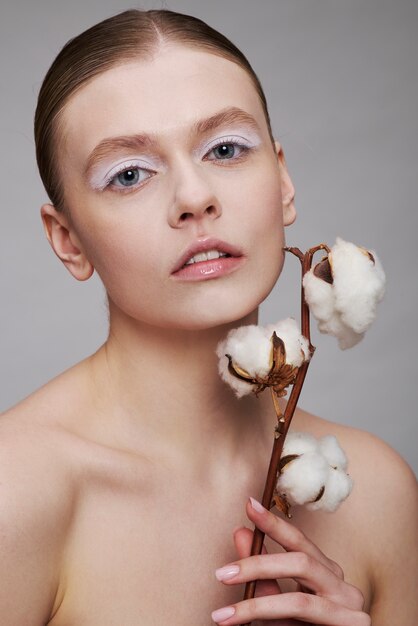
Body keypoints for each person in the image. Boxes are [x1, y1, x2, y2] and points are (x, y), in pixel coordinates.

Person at [0, 8, 416, 625]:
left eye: (225, 148)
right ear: (68, 241)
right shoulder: (16, 492)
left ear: (283, 182)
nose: (195, 198)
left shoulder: (376, 493)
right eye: (129, 174)